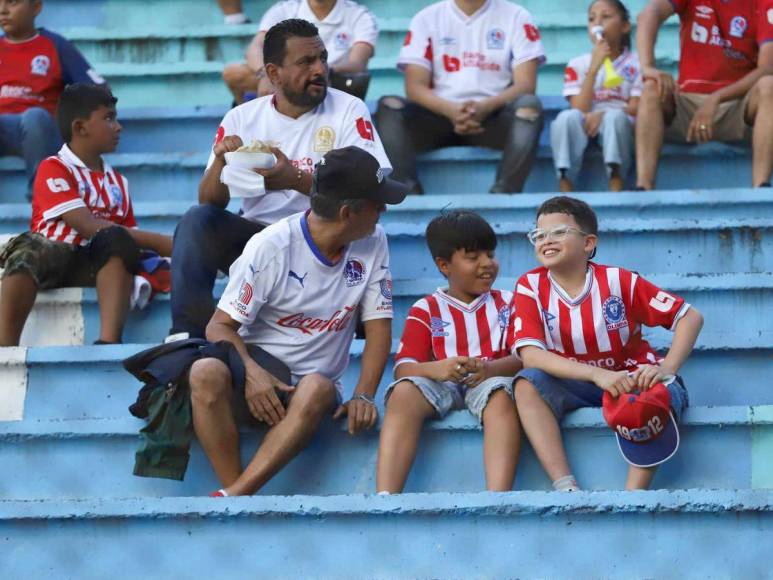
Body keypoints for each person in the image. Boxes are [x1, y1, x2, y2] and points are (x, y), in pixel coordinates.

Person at [191, 146, 405, 497]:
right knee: (204, 372)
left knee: (318, 386)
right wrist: (253, 374)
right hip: (254, 379)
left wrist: (364, 395)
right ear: (348, 212)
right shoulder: (271, 246)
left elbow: (379, 325)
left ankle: (238, 494)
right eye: (376, 203)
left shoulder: (373, 240)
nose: (382, 210)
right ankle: (231, 493)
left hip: (311, 392)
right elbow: (219, 325)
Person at [170, 18, 392, 340]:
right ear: (273, 73)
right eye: (306, 62)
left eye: (323, 59)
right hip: (258, 241)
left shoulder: (349, 109)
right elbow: (210, 200)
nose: (320, 69)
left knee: (364, 233)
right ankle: (187, 336)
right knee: (197, 221)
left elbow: (371, 188)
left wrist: (295, 178)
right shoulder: (241, 117)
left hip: (322, 237)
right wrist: (219, 161)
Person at [511, 196, 704, 490]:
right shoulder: (530, 286)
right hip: (577, 382)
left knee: (651, 397)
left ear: (588, 243)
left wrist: (667, 367)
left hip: (630, 378)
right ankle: (566, 487)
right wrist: (596, 374)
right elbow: (532, 356)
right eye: (539, 235)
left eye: (559, 232)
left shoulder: (619, 281)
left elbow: (690, 318)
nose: (546, 240)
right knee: (527, 384)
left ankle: (633, 494)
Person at [0, 84, 172, 346]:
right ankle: (5, 347)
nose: (118, 126)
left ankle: (108, 341)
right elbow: (87, 226)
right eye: (108, 118)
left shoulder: (118, 181)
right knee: (28, 248)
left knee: (118, 243)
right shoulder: (54, 167)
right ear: (80, 128)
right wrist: (168, 244)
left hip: (94, 265)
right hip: (53, 258)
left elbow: (126, 237)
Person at [376, 210, 522, 494]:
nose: (486, 264)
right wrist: (437, 368)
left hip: (492, 381)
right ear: (444, 265)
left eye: (490, 255)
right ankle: (385, 496)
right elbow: (404, 368)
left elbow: (525, 356)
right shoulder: (427, 308)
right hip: (442, 385)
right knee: (403, 393)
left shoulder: (509, 303)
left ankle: (497, 497)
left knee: (502, 395)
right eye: (472, 257)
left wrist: (490, 369)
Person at [376, 0, 546, 195]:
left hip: (494, 118)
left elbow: (525, 85)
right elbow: (414, 86)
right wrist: (451, 110)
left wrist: (485, 107)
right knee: (389, 106)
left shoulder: (517, 16)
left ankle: (504, 191)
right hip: (438, 117)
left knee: (529, 106)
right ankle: (408, 192)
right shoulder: (426, 18)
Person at [635, 0, 773, 189]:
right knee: (651, 88)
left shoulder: (764, 3)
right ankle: (643, 187)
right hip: (687, 106)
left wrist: (716, 98)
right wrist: (647, 67)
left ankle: (761, 186)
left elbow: (768, 67)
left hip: (737, 106)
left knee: (769, 86)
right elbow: (648, 14)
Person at [0, 0, 106, 197]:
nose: (3, 11)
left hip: (41, 130)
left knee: (35, 117)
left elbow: (98, 90)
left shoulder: (55, 45)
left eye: (12, 3)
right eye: (0, 4)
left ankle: (43, 199)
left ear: (36, 7)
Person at [550, 0, 641, 192]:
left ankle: (616, 182)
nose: (597, 24)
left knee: (614, 117)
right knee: (566, 118)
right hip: (586, 121)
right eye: (592, 19)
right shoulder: (578, 64)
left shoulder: (637, 64)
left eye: (606, 17)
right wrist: (594, 67)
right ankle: (565, 185)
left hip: (619, 123)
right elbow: (579, 108)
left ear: (624, 26)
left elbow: (636, 107)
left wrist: (605, 113)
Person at [222, 0, 378, 103]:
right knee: (233, 73)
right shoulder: (284, 9)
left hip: (332, 79)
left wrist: (323, 71)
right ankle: (251, 128)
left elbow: (357, 63)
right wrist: (264, 74)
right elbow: (254, 49)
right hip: (287, 76)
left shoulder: (359, 15)